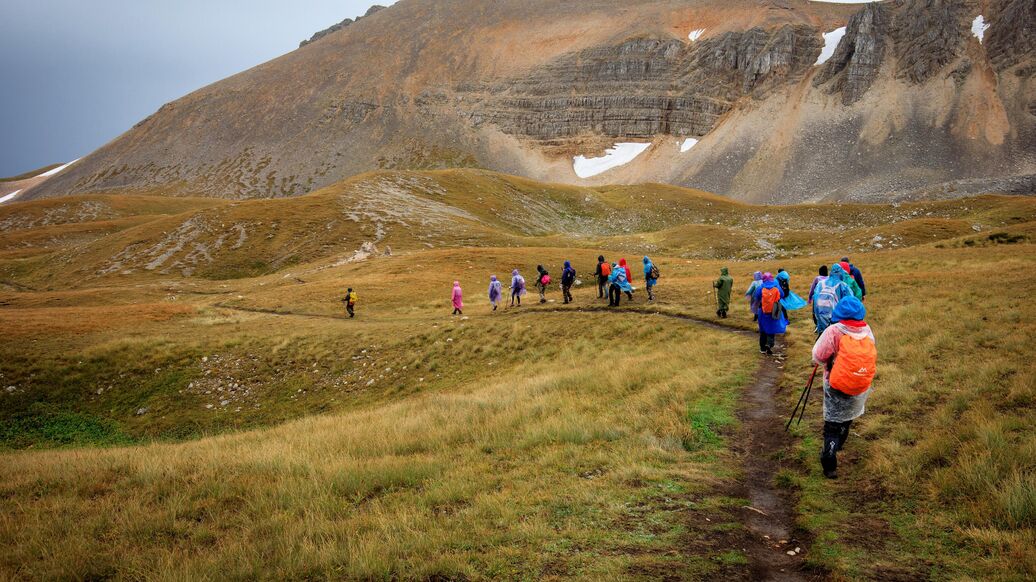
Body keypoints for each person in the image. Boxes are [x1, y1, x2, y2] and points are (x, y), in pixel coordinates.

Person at [811, 296, 876, 479]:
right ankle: (839, 443)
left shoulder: (834, 331)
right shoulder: (866, 330)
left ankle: (829, 462)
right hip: (860, 382)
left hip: (835, 383)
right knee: (847, 417)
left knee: (832, 424)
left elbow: (818, 355)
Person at [813, 263, 854, 336]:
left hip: (821, 321)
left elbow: (815, 301)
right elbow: (851, 304)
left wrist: (816, 321)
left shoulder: (820, 284)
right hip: (837, 324)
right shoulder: (843, 286)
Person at [754, 272, 787, 355]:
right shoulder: (776, 286)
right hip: (774, 311)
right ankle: (769, 344)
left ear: (763, 279)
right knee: (772, 328)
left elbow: (756, 297)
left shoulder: (761, 287)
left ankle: (762, 348)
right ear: (772, 278)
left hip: (763, 311)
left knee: (763, 329)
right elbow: (782, 295)